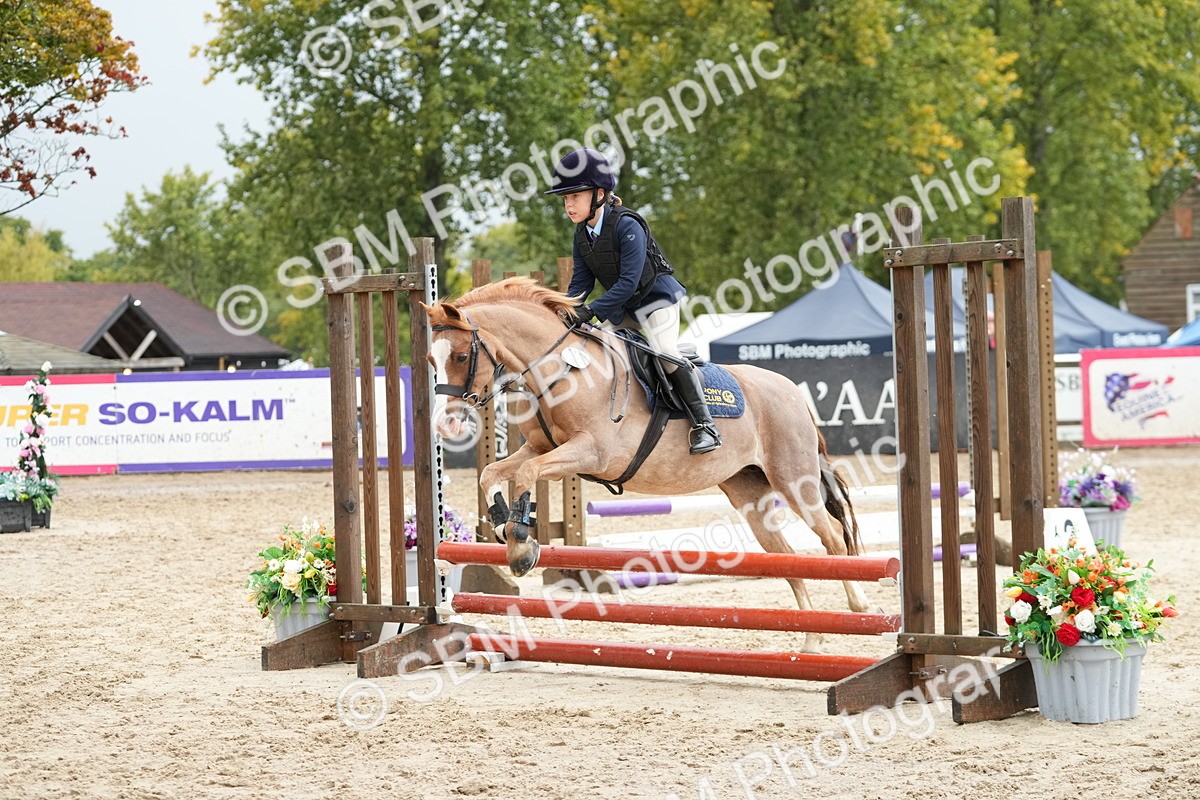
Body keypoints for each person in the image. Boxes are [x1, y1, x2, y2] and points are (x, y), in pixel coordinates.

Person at [543, 148, 721, 454]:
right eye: (565, 198)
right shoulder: (581, 234)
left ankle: (705, 425)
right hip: (625, 307)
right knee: (593, 348)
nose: (568, 204)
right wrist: (562, 310)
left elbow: (627, 283)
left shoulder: (628, 225)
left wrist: (592, 311)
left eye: (574, 196)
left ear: (599, 194)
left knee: (664, 352)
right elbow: (581, 284)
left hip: (657, 300)